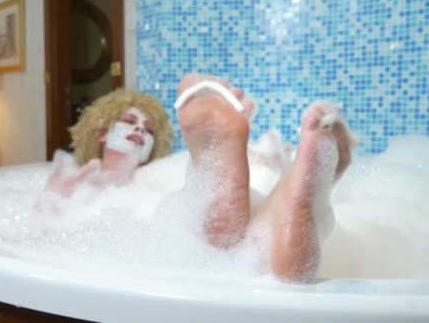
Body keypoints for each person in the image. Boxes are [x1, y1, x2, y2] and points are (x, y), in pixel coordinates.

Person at [176, 73, 356, 281]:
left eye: (147, 128)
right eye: (129, 120)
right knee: (266, 219)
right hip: (258, 202)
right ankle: (284, 211)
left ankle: (215, 175)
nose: (138, 130)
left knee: (222, 230)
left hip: (205, 252)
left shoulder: (142, 187)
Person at [44, 88, 174, 197]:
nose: (140, 128)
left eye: (149, 130)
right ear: (102, 134)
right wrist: (57, 198)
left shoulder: (156, 192)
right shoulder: (77, 185)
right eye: (129, 121)